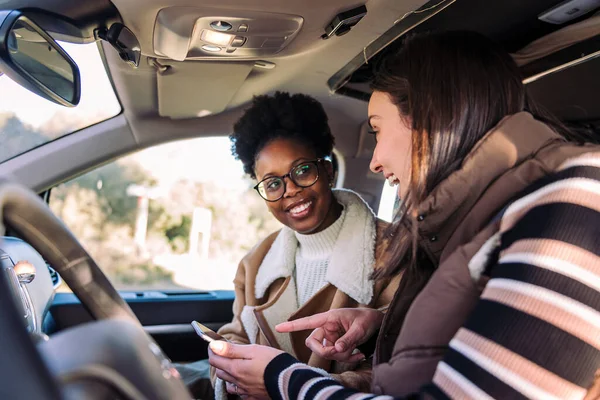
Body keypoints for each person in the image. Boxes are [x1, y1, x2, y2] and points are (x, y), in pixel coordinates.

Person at [207, 31, 600, 399]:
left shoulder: (576, 203)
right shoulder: (464, 229)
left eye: (376, 130)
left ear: (431, 120)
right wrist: (379, 329)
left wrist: (283, 381)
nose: (375, 161)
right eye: (272, 184)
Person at [179, 91, 401, 399]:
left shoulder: (395, 251)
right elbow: (238, 332)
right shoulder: (256, 261)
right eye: (272, 183)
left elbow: (399, 366)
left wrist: (291, 385)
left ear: (327, 170)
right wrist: (230, 368)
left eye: (302, 170)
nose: (291, 190)